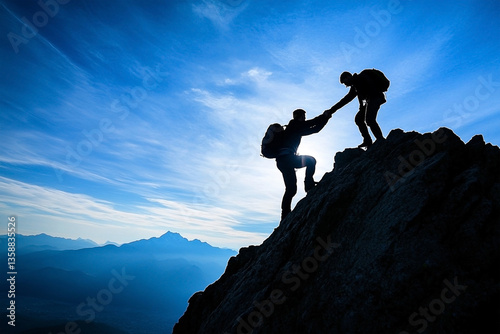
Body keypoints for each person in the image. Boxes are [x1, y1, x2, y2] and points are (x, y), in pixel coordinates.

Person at [276, 108, 331, 221]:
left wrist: (324, 118)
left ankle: (284, 216)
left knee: (291, 189)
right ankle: (309, 185)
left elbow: (314, 127)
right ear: (300, 117)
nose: (304, 119)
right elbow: (314, 126)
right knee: (311, 161)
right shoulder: (296, 125)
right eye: (303, 117)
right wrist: (325, 117)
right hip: (288, 159)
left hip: (282, 161)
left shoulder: (292, 127)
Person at [328, 70, 387, 148]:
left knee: (369, 119)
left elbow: (371, 88)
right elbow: (345, 100)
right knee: (359, 119)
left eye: (345, 82)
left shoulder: (360, 79)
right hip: (370, 100)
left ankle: (380, 139)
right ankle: (368, 141)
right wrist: (331, 110)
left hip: (375, 97)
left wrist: (365, 104)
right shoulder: (355, 86)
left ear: (348, 77)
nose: (346, 85)